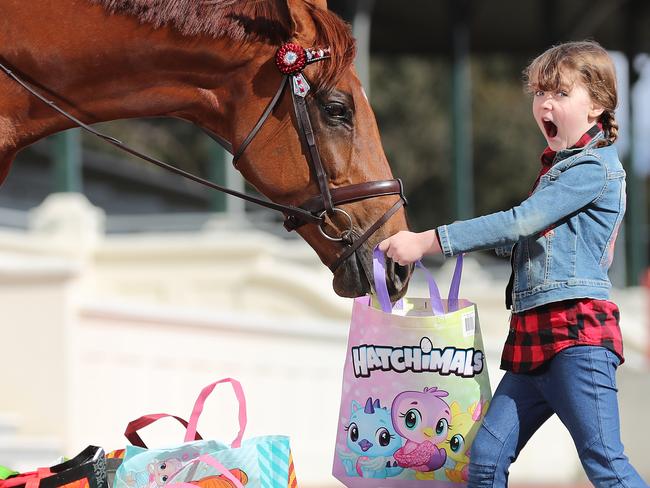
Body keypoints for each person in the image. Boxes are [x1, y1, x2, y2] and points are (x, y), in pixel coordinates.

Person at [378, 40, 647, 487]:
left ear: (597, 105)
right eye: (541, 93)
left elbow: (521, 222)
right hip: (532, 338)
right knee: (485, 460)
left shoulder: (592, 169)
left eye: (561, 93)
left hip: (576, 337)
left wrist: (428, 240)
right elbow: (528, 238)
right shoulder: (558, 171)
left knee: (606, 465)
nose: (545, 102)